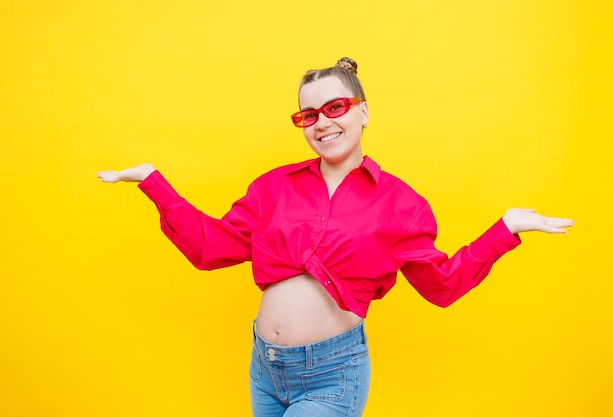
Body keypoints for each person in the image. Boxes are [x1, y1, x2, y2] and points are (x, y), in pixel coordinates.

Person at [97, 57, 574, 417]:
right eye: (308, 115)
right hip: (265, 366)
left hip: (332, 372)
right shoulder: (273, 187)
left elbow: (442, 285)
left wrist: (505, 229)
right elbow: (211, 248)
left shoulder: (402, 205)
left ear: (363, 112)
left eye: (336, 107)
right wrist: (153, 183)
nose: (322, 122)